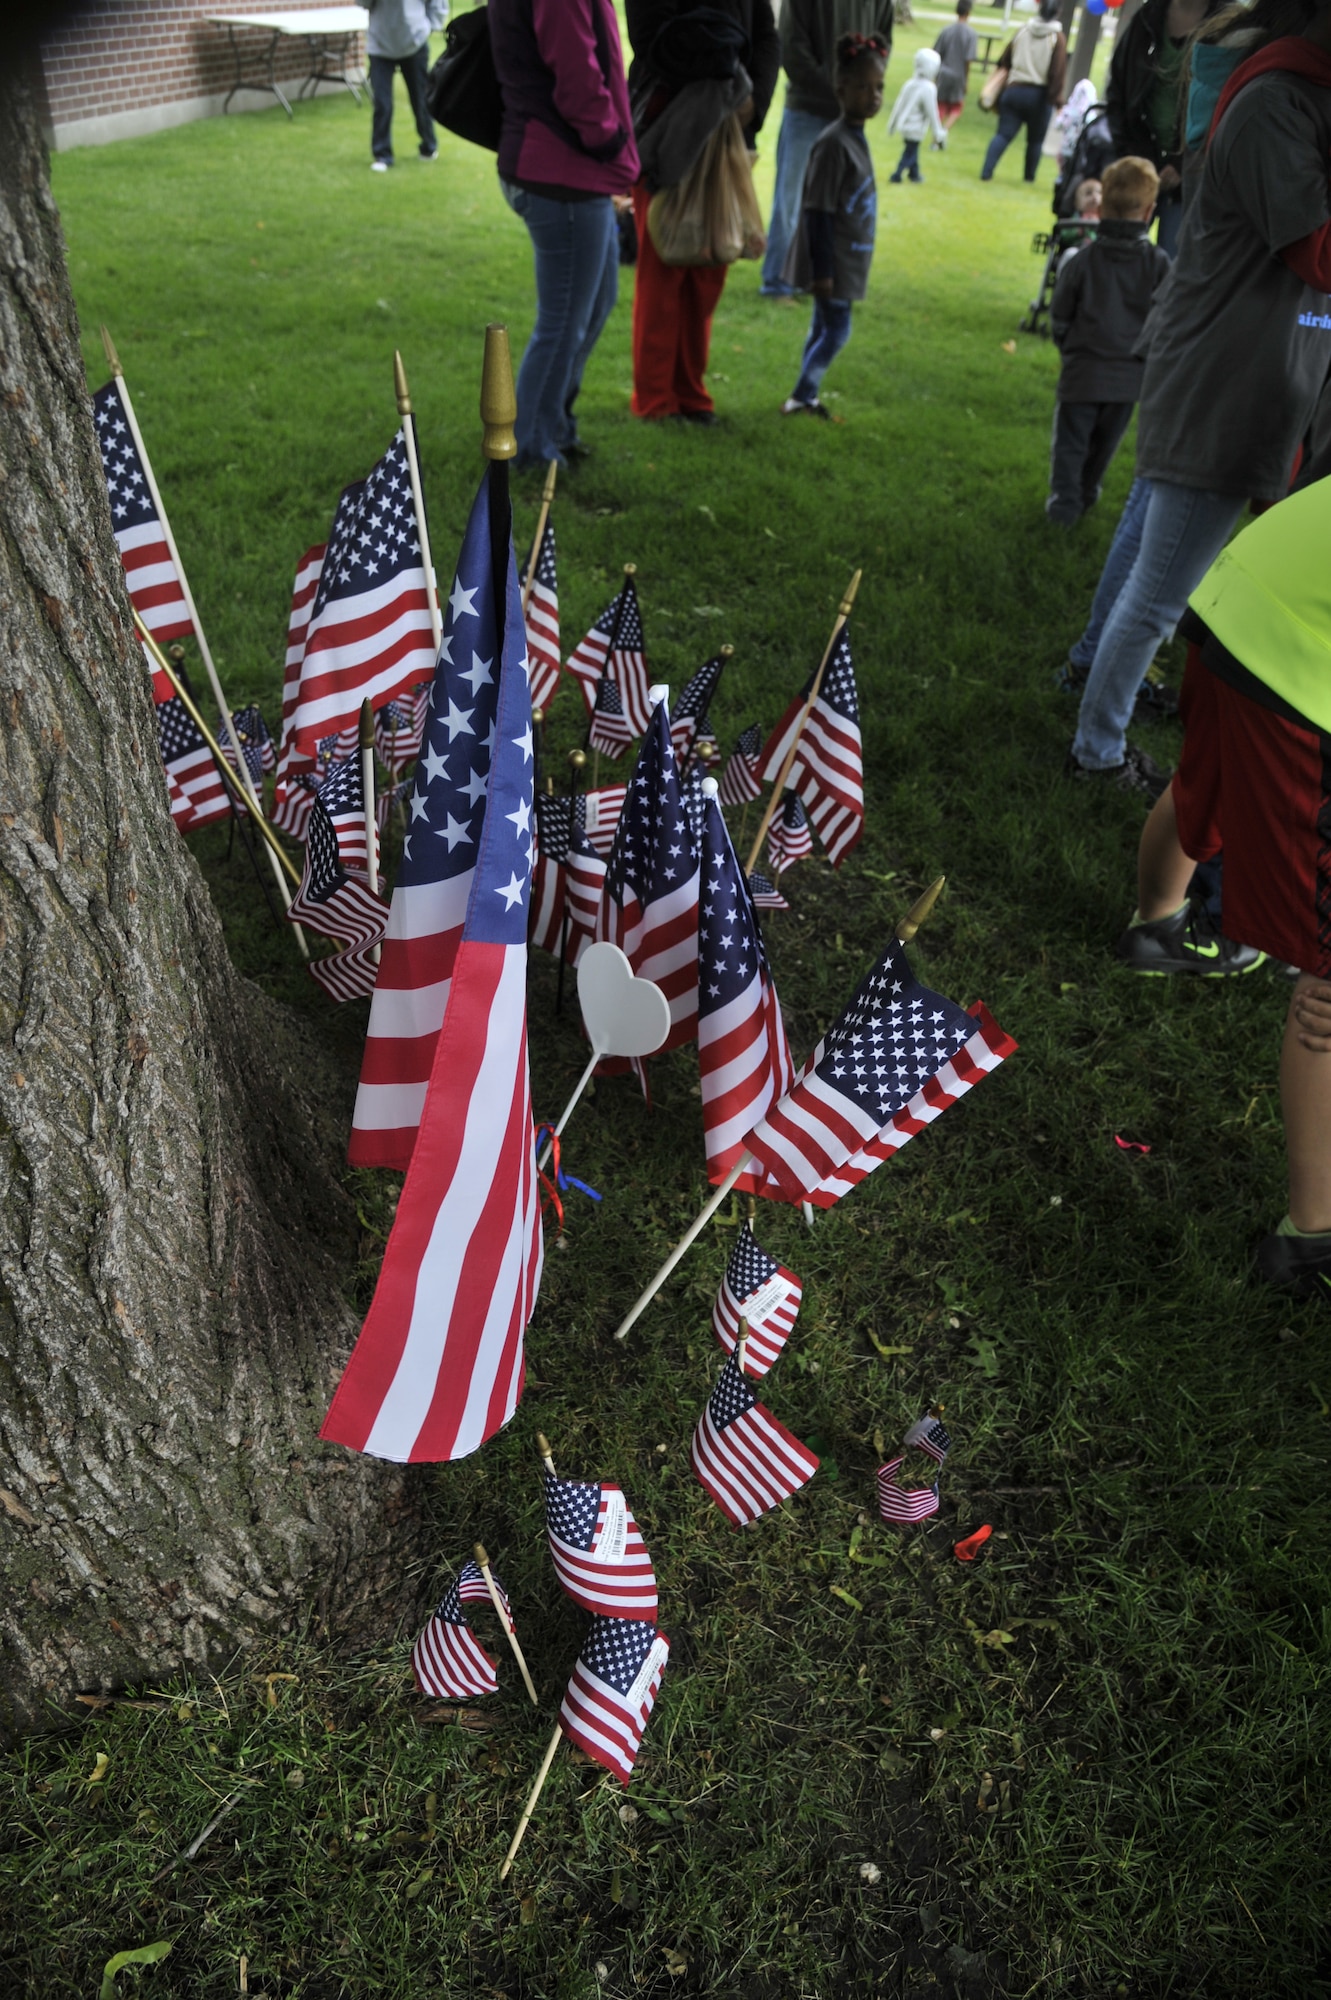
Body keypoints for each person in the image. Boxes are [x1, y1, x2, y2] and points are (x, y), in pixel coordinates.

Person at [1067, 0, 1331, 791]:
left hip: (1229, 360)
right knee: (1161, 589)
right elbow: (1316, 250)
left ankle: (1092, 681)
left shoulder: (1289, 89)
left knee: (1148, 540)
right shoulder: (1276, 101)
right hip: (1227, 371)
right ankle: (1096, 751)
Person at [1115, 477, 1331, 1297]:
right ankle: (1310, 1240)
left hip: (1239, 593)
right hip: (1299, 655)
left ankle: (1154, 925)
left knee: (1203, 779)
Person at [490, 0, 640, 471]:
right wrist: (613, 144)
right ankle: (531, 447)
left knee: (595, 303)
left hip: (568, 169)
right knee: (562, 323)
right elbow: (578, 81)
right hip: (562, 172)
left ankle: (552, 427)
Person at [626, 0, 780, 423]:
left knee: (709, 268)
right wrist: (719, 76)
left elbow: (766, 38)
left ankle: (691, 393)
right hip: (666, 135)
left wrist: (754, 99)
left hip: (727, 138)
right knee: (662, 271)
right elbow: (648, 36)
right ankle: (655, 398)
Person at [1047, 157, 1170, 524]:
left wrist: (1070, 348)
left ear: (1101, 207)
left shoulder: (1082, 261)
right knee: (1104, 446)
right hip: (1127, 380)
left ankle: (1064, 507)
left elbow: (1059, 314)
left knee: (1070, 445)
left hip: (1082, 373)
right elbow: (1163, 320)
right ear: (1149, 212)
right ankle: (1086, 494)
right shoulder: (1159, 264)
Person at [759, 0, 896, 300]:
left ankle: (819, 278)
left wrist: (860, 87)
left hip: (850, 115)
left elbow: (883, 42)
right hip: (807, 108)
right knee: (791, 199)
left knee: (841, 205)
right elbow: (792, 45)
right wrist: (835, 86)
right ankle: (777, 283)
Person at [780, 32, 887, 415]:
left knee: (824, 328)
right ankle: (803, 394)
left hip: (847, 260)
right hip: (834, 263)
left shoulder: (854, 138)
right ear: (840, 89)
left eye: (879, 87)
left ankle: (803, 396)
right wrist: (823, 272)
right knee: (837, 331)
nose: (873, 96)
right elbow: (818, 212)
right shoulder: (833, 143)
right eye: (862, 87)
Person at [1106, 0, 1218, 254]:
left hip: (1195, 173)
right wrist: (1136, 158)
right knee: (1119, 260)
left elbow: (1227, 107)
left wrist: (1183, 164)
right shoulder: (1148, 17)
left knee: (1173, 267)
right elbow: (1119, 93)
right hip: (1139, 163)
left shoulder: (1226, 24)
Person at [980, 0, 1068, 184]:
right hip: (1039, 96)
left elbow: (1005, 61)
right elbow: (1056, 74)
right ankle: (1029, 178)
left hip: (1013, 91)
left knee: (1003, 134)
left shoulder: (1022, 31)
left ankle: (986, 172)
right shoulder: (1057, 38)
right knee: (1035, 141)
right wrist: (1058, 102)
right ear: (1058, 12)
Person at [366, 0, 446, 171]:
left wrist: (429, 27)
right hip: (379, 44)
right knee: (382, 103)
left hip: (414, 43)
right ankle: (382, 154)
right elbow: (364, 4)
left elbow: (438, 4)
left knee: (420, 100)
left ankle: (429, 146)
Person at [887, 46, 946, 181]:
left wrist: (892, 125)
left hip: (905, 126)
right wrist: (938, 132)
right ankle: (897, 174)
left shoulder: (909, 84)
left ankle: (914, 174)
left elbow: (898, 106)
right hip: (916, 128)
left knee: (913, 150)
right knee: (910, 152)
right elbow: (932, 113)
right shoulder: (929, 88)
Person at [934, 0, 978, 132]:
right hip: (959, 75)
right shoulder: (971, 34)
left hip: (943, 72)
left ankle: (936, 134)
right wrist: (966, 79)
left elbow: (936, 53)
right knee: (956, 108)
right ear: (969, 12)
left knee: (941, 105)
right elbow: (968, 59)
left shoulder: (946, 30)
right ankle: (944, 131)